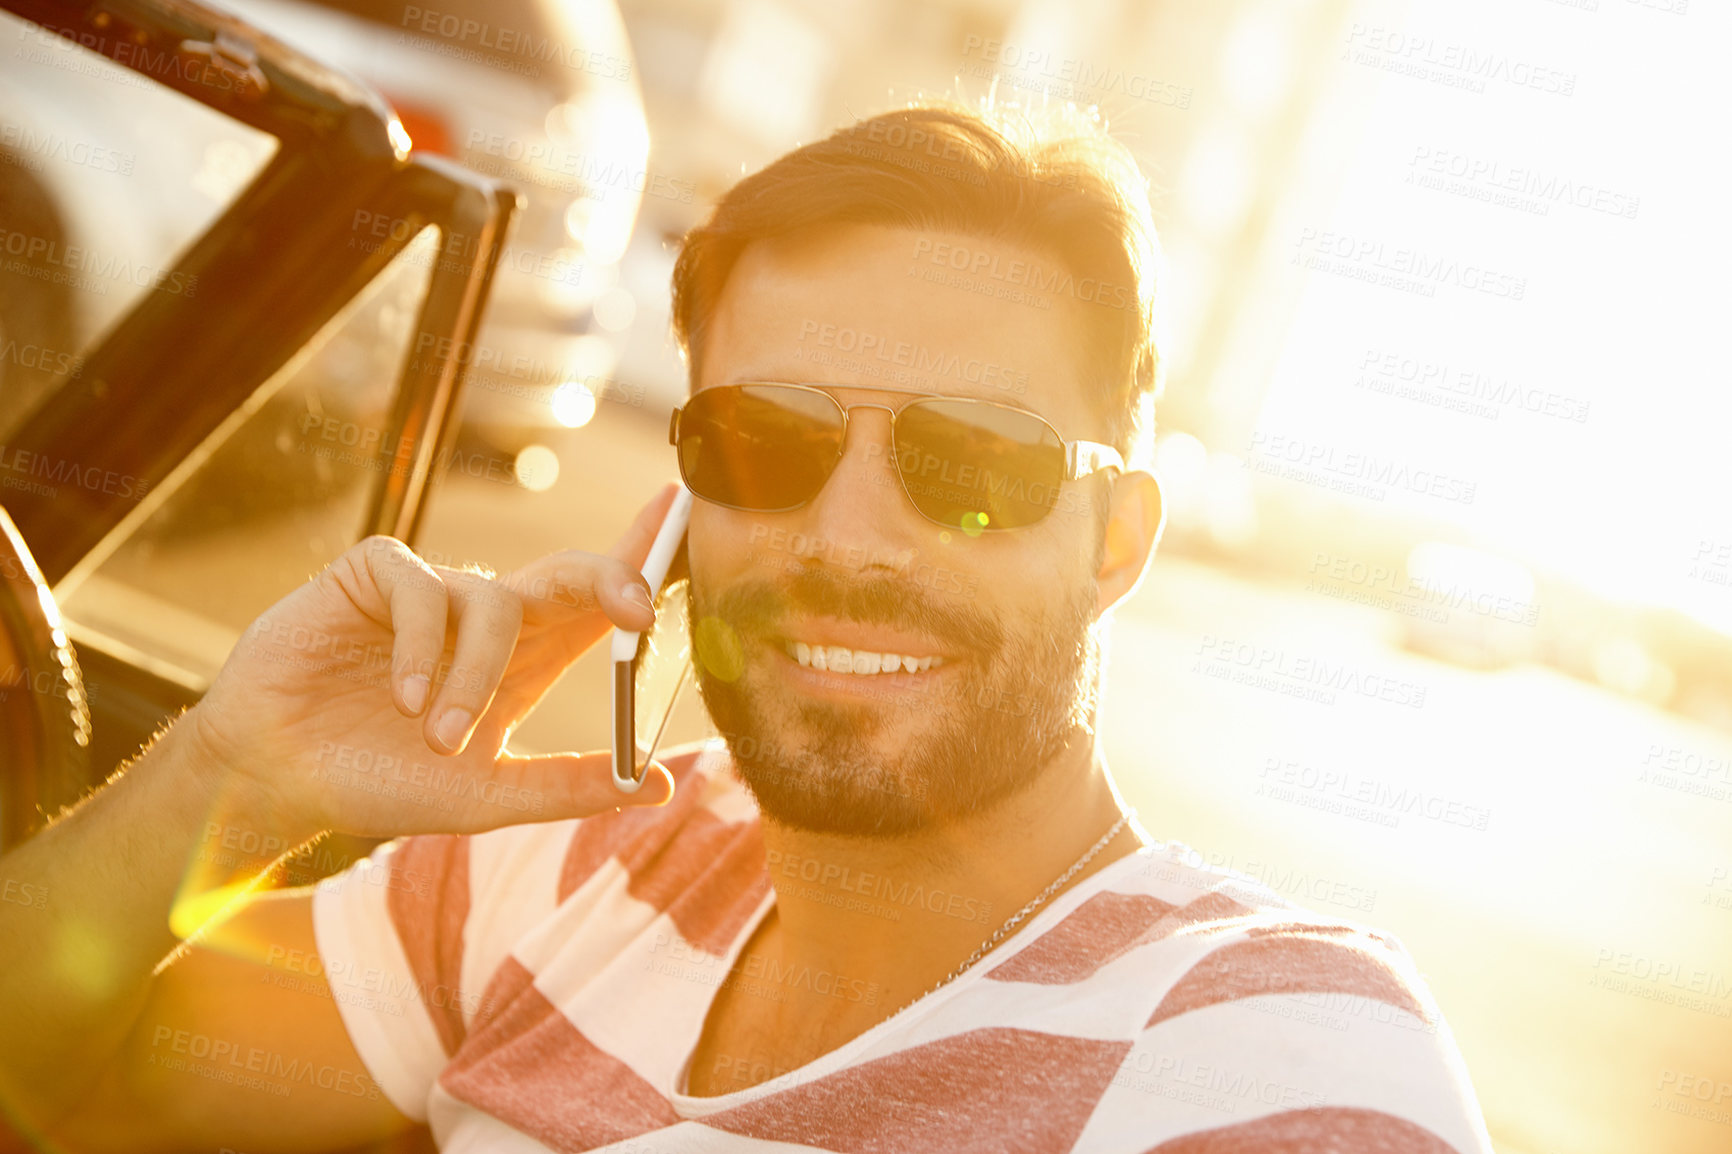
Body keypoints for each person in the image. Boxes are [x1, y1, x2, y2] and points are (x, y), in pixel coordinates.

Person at [0, 102, 1495, 1152]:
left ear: (1115, 541)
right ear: (678, 509)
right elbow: (64, 1079)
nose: (846, 541)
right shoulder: (581, 863)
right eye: (764, 446)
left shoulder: (1264, 1036)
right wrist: (226, 780)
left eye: (972, 465)